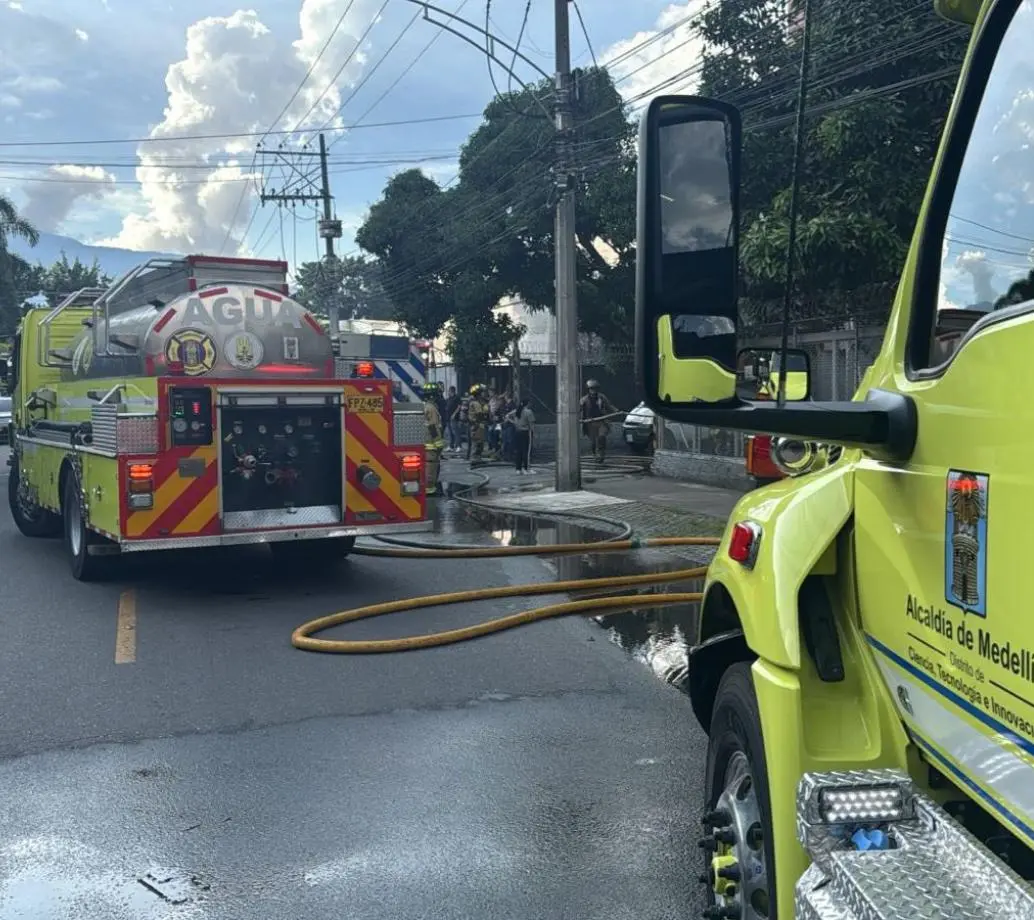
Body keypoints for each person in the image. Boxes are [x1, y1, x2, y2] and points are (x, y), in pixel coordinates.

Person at [579, 379, 615, 463]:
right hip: (590, 423)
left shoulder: (602, 397)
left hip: (602, 421)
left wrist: (616, 411)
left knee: (601, 437)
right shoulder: (583, 400)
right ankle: (595, 455)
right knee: (593, 442)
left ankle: (601, 455)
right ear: (588, 390)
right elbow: (578, 410)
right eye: (591, 389)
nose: (593, 390)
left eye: (595, 388)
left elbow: (609, 405)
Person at [507, 398, 535, 474]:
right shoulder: (529, 412)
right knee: (526, 451)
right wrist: (533, 433)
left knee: (518, 451)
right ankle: (526, 468)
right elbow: (531, 425)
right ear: (528, 403)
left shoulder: (517, 411)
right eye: (530, 403)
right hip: (526, 432)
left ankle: (518, 469)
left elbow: (507, 416)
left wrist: (514, 423)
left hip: (517, 432)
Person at [444, 385, 461, 452]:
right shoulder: (449, 399)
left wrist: (454, 414)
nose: (448, 392)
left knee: (456, 432)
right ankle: (451, 446)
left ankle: (458, 446)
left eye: (449, 391)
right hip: (448, 417)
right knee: (450, 433)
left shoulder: (457, 398)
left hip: (454, 418)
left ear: (452, 391)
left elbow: (459, 407)